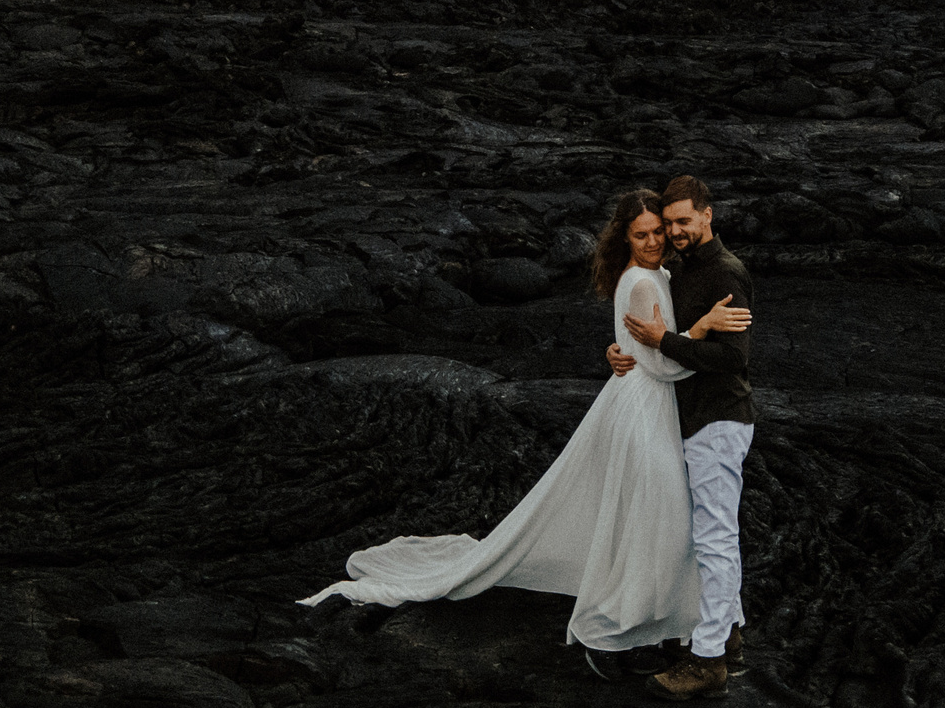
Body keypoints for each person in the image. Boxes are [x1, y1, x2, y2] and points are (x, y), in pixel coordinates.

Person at [297, 187, 751, 664]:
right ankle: (650, 617)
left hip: (648, 402)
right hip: (645, 404)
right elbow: (660, 365)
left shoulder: (662, 273)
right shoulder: (641, 281)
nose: (657, 240)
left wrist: (635, 346)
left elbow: (645, 347)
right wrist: (694, 331)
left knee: (656, 513)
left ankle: (684, 620)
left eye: (660, 230)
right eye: (644, 234)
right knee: (653, 513)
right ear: (626, 237)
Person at [608, 174, 755, 701]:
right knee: (708, 536)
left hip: (719, 418)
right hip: (692, 418)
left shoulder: (725, 273)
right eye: (668, 225)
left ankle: (708, 659)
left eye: (682, 222)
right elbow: (648, 334)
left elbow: (732, 358)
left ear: (708, 215)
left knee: (715, 540)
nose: (673, 233)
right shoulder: (679, 270)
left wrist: (666, 341)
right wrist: (624, 348)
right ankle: (728, 635)